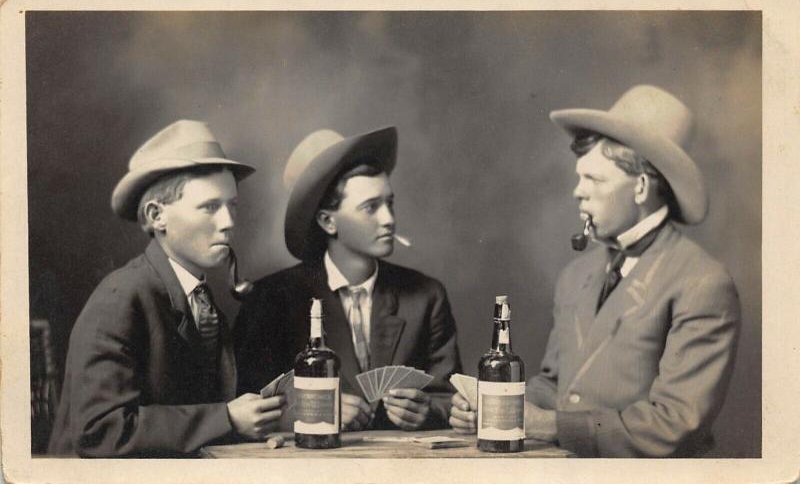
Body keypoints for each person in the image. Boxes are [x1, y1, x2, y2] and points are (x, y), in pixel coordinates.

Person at [449, 85, 741, 457]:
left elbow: (675, 424)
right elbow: (556, 387)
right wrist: (494, 402)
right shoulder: (576, 276)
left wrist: (543, 423)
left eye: (594, 180)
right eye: (579, 177)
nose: (577, 192)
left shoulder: (702, 282)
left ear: (640, 187)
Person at [48, 120, 285, 457]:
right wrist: (227, 418)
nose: (229, 223)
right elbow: (98, 430)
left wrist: (253, 425)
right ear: (157, 216)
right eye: (210, 207)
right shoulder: (121, 297)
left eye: (232, 205)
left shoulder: (203, 303)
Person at [235, 126, 462, 431]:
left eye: (389, 203)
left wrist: (429, 410)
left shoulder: (426, 296)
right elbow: (247, 401)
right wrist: (311, 413)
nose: (389, 219)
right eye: (371, 207)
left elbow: (450, 396)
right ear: (328, 221)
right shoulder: (271, 299)